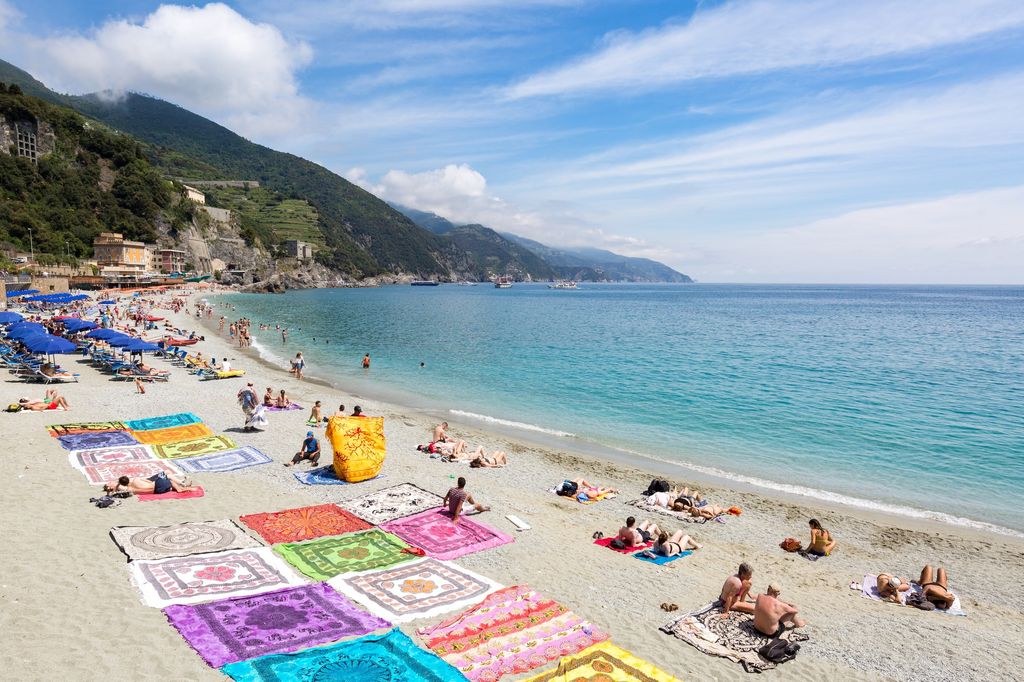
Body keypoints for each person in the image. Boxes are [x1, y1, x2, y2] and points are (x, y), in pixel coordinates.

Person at [102, 472, 196, 495]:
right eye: (109, 483)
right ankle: (181, 487)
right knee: (168, 478)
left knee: (168, 480)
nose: (110, 482)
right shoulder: (134, 481)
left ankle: (179, 486)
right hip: (156, 486)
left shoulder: (128, 485)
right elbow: (149, 482)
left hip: (156, 488)